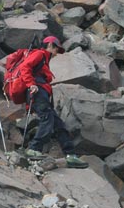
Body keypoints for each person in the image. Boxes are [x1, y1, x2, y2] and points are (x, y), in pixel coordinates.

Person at [20, 36, 88, 168]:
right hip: (37, 92)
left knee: (58, 124)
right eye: (56, 48)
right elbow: (24, 67)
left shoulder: (45, 59)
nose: (57, 51)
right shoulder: (40, 54)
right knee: (47, 119)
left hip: (42, 94)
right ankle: (34, 148)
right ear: (50, 45)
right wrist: (31, 84)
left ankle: (71, 155)